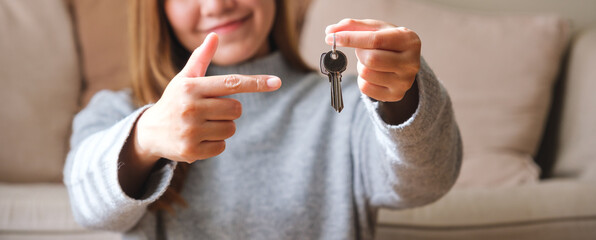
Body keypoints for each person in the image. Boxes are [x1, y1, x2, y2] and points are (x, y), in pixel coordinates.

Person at [63, 0, 462, 239]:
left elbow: (427, 181)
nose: (216, 4)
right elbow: (87, 204)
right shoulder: (120, 110)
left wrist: (402, 97)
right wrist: (145, 137)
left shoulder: (352, 104)